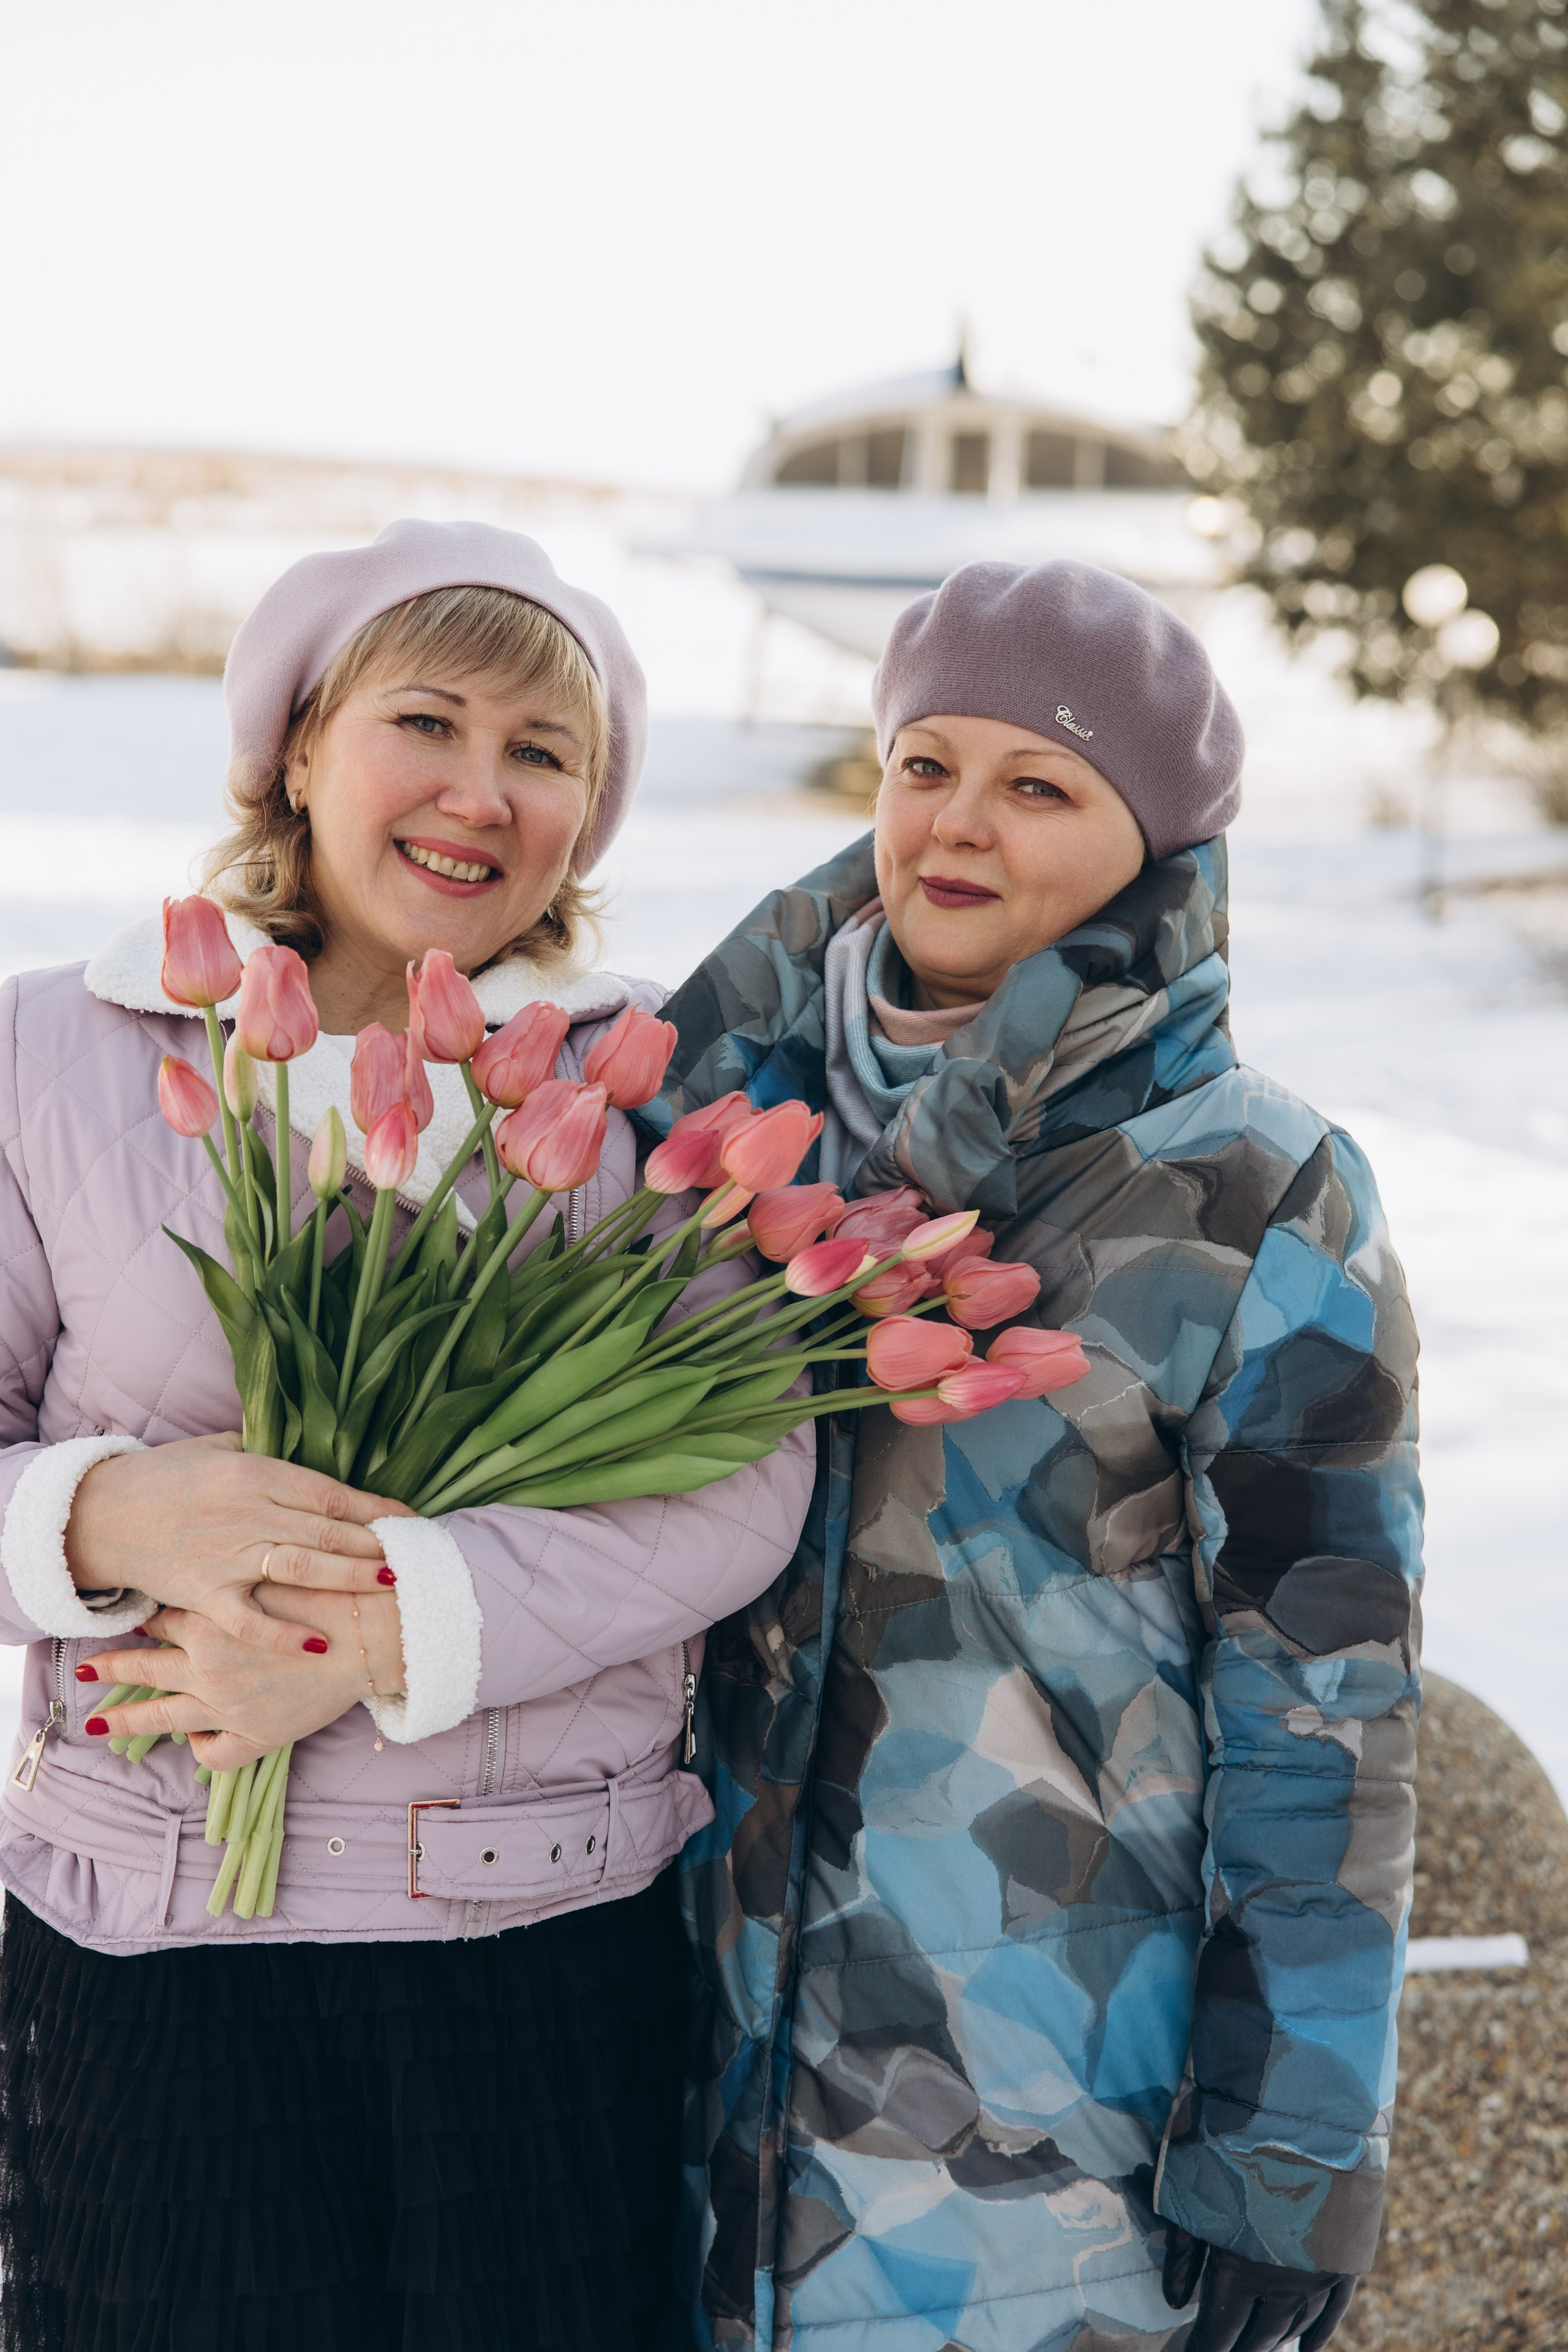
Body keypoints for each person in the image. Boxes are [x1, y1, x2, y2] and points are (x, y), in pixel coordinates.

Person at [0, 519, 816, 2352]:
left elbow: (743, 1478)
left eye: (543, 754)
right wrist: (114, 1516)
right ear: (299, 750)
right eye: (426, 723)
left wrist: (374, 1638)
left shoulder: (649, 1099)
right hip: (157, 1941)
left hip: (531, 1939)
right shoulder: (55, 1054)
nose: (479, 793)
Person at [648, 560, 1422, 2352]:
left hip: (1045, 2150)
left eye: (1039, 784)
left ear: (1151, 844)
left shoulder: (1253, 1192)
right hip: (677, 2114)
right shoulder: (711, 1121)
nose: (959, 824)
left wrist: (1292, 2150)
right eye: (925, 764)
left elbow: (1328, 1714)